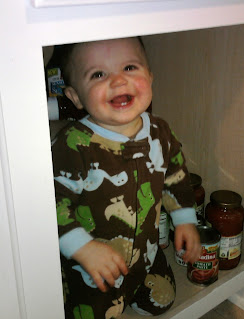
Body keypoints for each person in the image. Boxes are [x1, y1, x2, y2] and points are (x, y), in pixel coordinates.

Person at [51, 37, 201, 319]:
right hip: (92, 263)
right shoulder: (73, 145)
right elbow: (49, 203)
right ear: (75, 97)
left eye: (130, 67)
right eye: (98, 74)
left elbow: (176, 176)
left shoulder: (160, 131)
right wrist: (82, 248)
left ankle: (131, 286)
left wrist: (184, 220)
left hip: (145, 252)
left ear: (150, 77)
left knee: (162, 300)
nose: (119, 81)